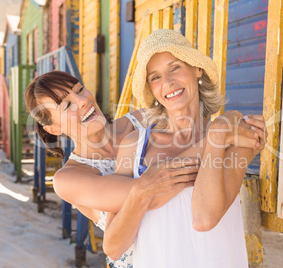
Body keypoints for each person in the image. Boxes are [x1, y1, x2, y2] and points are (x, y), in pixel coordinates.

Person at [102, 29, 267, 267]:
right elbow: (114, 247)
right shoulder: (134, 146)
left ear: (196, 69)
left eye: (174, 67)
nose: (167, 82)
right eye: (155, 77)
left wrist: (218, 134)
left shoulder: (234, 137)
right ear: (151, 89)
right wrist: (143, 190)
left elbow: (204, 219)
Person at [24, 70, 200, 267]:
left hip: (192, 245)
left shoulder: (142, 120)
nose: (83, 101)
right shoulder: (69, 178)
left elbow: (196, 129)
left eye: (80, 90)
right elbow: (149, 189)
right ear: (54, 129)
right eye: (67, 105)